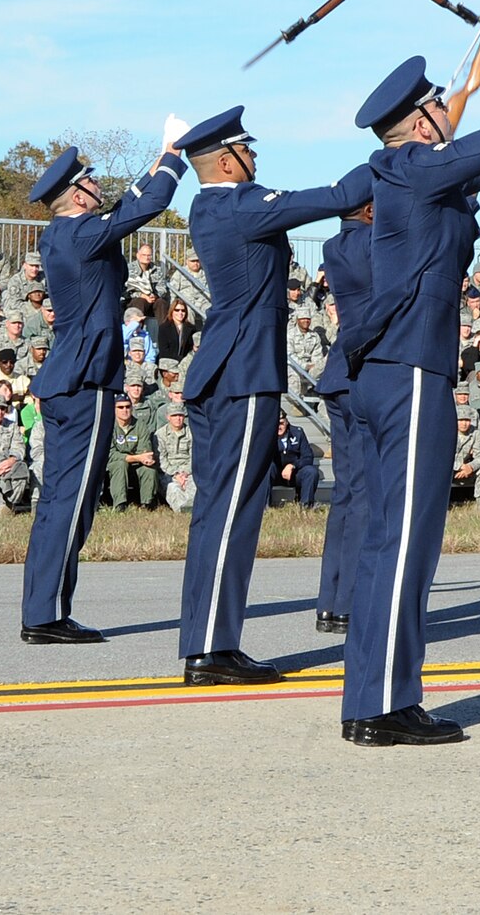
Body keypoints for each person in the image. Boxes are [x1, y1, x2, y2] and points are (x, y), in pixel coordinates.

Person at [335, 7, 480, 746]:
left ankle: (376, 697)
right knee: (406, 543)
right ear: (423, 120)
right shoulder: (410, 167)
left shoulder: (411, 174)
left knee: (386, 543)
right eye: (438, 104)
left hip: (393, 370)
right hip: (409, 373)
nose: (445, 110)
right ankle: (382, 704)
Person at [167, 107, 367, 685]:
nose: (257, 159)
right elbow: (337, 194)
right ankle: (211, 649)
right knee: (232, 510)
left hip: (227, 370)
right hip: (242, 372)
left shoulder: (215, 206)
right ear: (227, 159)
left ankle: (211, 641)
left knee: (219, 512)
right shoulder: (237, 204)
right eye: (249, 151)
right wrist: (401, 156)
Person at [20, 134, 187, 643]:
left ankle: (42, 609)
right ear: (76, 196)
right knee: (72, 502)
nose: (96, 185)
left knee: (58, 501)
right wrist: (176, 157)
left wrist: (159, 155)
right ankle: (45, 615)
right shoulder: (82, 234)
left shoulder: (61, 234)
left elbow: (123, 207)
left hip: (68, 378)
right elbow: (150, 203)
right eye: (88, 181)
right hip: (85, 380)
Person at [312, 174, 376, 636]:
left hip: (339, 373)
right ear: (371, 211)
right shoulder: (377, 244)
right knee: (367, 495)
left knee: (347, 494)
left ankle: (331, 601)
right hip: (366, 375)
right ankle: (351, 600)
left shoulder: (335, 246)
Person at [106, 394, 160, 510]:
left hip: (137, 465)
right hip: (114, 465)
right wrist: (137, 457)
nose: (124, 410)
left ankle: (147, 504)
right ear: (114, 409)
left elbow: (145, 450)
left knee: (148, 468)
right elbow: (111, 454)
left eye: (127, 407)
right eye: (120, 407)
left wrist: (141, 458)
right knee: (120, 464)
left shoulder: (140, 425)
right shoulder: (108, 427)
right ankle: (120, 504)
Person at [272, 412, 321, 507]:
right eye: (276, 424)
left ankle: (305, 506)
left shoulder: (297, 433)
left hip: (294, 474)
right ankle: (264, 506)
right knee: (268, 469)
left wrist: (293, 466)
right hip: (275, 473)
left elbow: (308, 457)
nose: (279, 427)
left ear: (286, 422)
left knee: (311, 471)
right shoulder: (266, 435)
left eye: (281, 423)